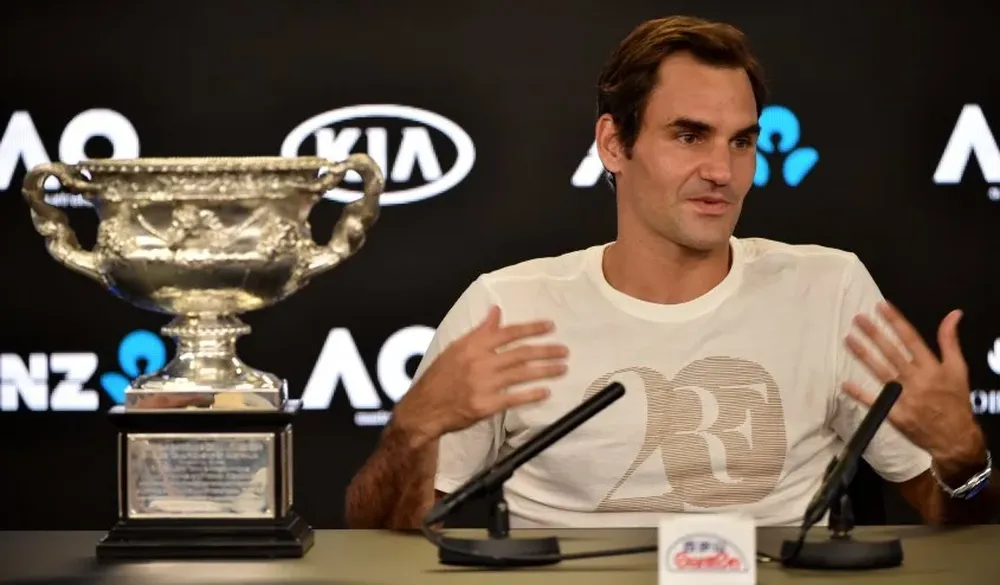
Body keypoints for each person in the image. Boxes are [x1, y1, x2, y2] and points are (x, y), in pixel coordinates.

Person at [343, 15, 998, 529]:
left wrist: (965, 461)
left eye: (742, 141)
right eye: (690, 136)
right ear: (613, 144)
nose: (723, 171)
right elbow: (381, 538)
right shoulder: (506, 308)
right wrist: (411, 432)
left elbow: (956, 522)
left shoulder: (829, 290)